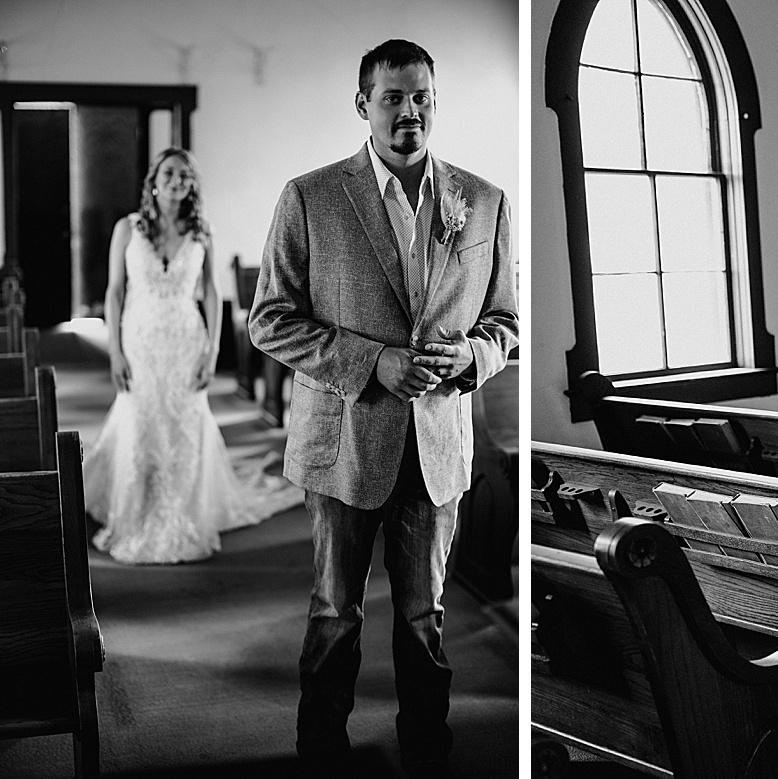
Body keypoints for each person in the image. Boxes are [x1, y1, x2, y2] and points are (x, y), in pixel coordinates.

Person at [248, 39, 518, 777]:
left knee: (425, 618)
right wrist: (374, 362)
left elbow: (505, 324)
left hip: (437, 448)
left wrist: (469, 359)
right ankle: (322, 751)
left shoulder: (484, 200)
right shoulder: (310, 196)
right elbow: (269, 318)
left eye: (423, 96)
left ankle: (428, 749)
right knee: (335, 614)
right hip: (343, 446)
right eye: (394, 96)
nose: (410, 111)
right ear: (362, 103)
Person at [85, 147, 302, 565]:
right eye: (169, 173)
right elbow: (114, 293)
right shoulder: (127, 229)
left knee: (182, 426)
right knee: (142, 421)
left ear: (191, 187)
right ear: (154, 180)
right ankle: (136, 510)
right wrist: (114, 349)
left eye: (185, 176)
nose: (176, 181)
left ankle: (181, 510)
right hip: (140, 339)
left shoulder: (203, 231)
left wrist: (212, 350)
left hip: (187, 339)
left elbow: (209, 295)